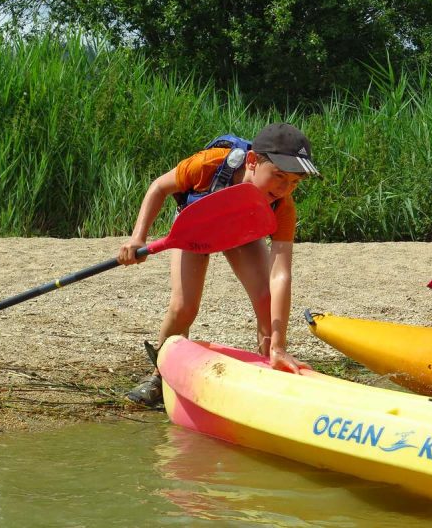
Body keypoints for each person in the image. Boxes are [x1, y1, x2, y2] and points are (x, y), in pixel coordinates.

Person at [118, 122, 320, 406]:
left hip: (241, 235)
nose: (285, 188)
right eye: (278, 176)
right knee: (184, 306)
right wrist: (137, 238)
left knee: (266, 298)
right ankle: (159, 376)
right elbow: (158, 188)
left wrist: (280, 345)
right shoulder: (209, 164)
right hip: (196, 232)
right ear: (252, 161)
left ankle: (270, 362)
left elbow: (281, 274)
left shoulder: (283, 205)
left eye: (295, 182)